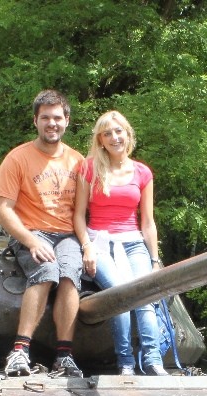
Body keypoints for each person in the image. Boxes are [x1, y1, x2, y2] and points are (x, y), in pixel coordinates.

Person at [0, 89, 86, 378]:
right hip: (32, 230)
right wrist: (30, 240)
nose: (52, 123)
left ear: (67, 121)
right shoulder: (17, 158)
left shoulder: (78, 161)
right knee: (46, 269)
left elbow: (82, 212)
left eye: (57, 117)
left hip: (68, 235)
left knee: (70, 273)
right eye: (45, 117)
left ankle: (65, 355)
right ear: (36, 121)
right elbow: (3, 209)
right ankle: (20, 351)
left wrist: (87, 245)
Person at [72, 111, 167, 376]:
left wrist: (155, 259)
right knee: (118, 294)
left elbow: (148, 222)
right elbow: (78, 215)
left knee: (144, 294)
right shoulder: (89, 168)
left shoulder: (142, 172)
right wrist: (86, 246)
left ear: (128, 134)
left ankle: (153, 360)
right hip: (99, 241)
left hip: (133, 242)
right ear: (100, 140)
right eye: (107, 133)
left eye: (119, 131)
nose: (114, 137)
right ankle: (125, 360)